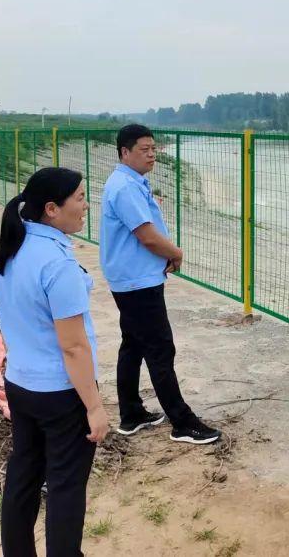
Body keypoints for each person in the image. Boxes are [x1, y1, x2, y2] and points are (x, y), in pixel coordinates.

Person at [0, 167, 109, 557]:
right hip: (60, 394)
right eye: (79, 198)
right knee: (66, 486)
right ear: (52, 209)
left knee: (23, 474)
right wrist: (94, 406)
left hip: (21, 384)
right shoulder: (57, 264)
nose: (86, 205)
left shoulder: (9, 250)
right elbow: (74, 347)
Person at [100, 123, 222, 444]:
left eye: (154, 149)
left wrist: (163, 254)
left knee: (134, 345)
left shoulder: (131, 181)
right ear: (125, 152)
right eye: (144, 149)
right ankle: (182, 422)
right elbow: (147, 236)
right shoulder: (125, 187)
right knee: (160, 349)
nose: (152, 154)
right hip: (137, 283)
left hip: (133, 278)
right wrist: (176, 252)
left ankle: (131, 413)